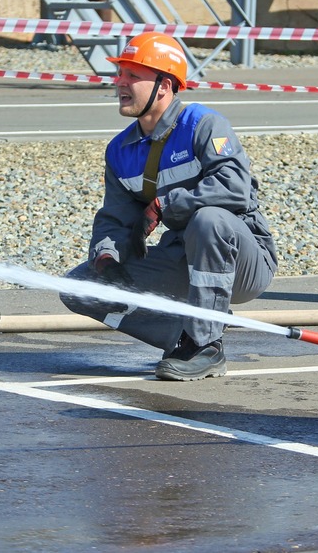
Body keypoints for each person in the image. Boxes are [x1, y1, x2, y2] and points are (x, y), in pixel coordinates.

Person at [60, 32, 278, 381]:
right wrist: (107, 257)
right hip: (181, 258)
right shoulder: (120, 150)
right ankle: (183, 337)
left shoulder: (203, 125)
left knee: (209, 220)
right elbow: (114, 218)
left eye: (133, 75)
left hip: (241, 260)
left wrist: (166, 204)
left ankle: (207, 345)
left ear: (164, 85)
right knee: (82, 287)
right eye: (121, 74)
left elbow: (235, 189)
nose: (121, 83)